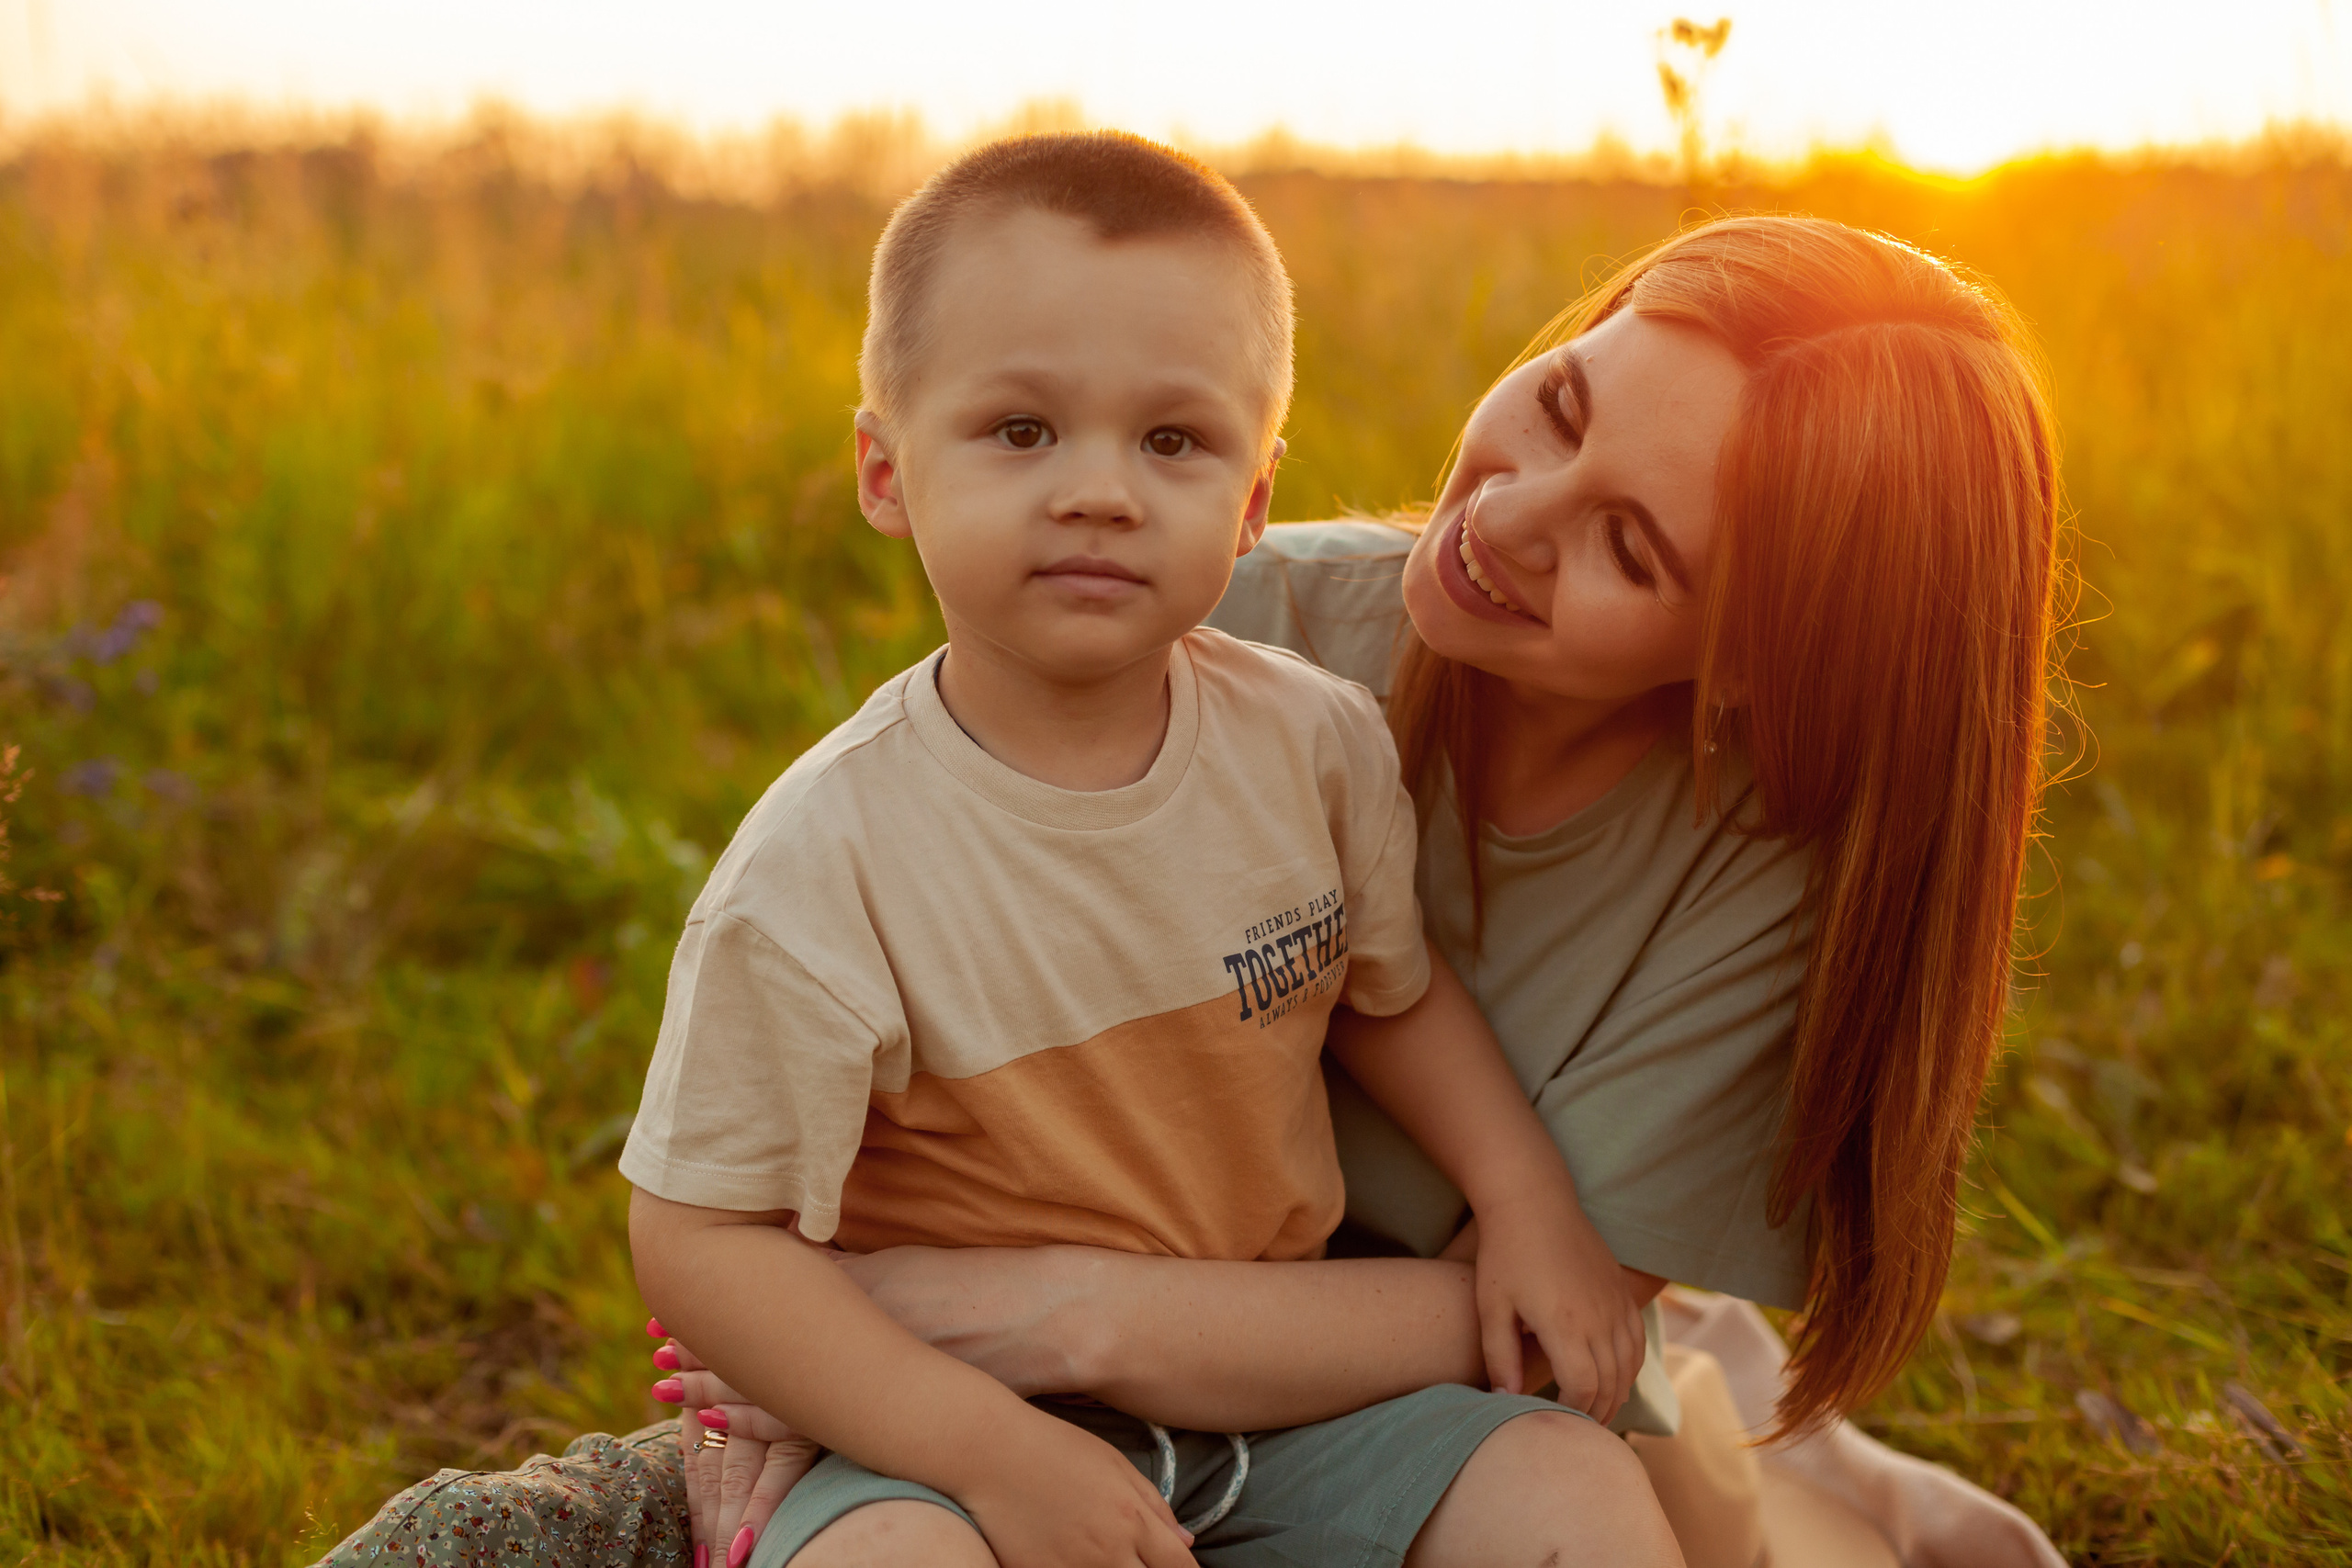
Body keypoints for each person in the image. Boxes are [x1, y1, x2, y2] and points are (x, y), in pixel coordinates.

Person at [321, 209, 2064, 1568]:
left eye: (1630, 545)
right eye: (1559, 403)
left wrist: (1019, 1313)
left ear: (1756, 663)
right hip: (1144, 1338)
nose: (1514, 512)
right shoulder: (1242, 622)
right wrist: (830, 1357)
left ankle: (1826, 1482)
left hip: (1424, 1390)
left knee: (1660, 1499)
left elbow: (1545, 1329)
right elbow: (855, 1070)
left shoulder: (1761, 861)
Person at [625, 128, 1673, 1568]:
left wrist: (1529, 1202)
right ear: (884, 470)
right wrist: (990, 1458)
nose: (1101, 491)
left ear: (1250, 503)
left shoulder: (1315, 744)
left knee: (1572, 1495)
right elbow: (699, 1239)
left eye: (1172, 441)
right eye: (1020, 431)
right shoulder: (826, 866)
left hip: (1279, 1406)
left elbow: (1395, 1000)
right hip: (950, 1435)